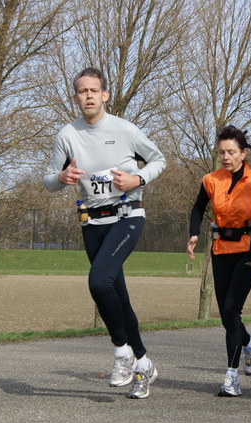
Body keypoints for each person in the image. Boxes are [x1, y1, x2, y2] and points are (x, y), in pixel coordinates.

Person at [43, 67, 166, 399]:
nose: (88, 96)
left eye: (94, 90)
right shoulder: (67, 135)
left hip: (127, 215)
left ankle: (121, 352)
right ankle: (143, 364)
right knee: (115, 295)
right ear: (75, 98)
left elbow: (159, 160)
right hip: (91, 222)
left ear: (105, 95)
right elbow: (49, 179)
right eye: (82, 91)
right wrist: (62, 178)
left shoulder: (124, 130)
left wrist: (137, 179)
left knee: (98, 282)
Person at [186, 125, 251, 397]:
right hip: (220, 250)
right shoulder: (211, 179)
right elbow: (198, 207)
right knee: (226, 316)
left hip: (248, 250)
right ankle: (249, 342)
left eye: (231, 152)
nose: (225, 157)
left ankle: (231, 377)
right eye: (221, 152)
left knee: (232, 310)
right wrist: (193, 234)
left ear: (243, 153)